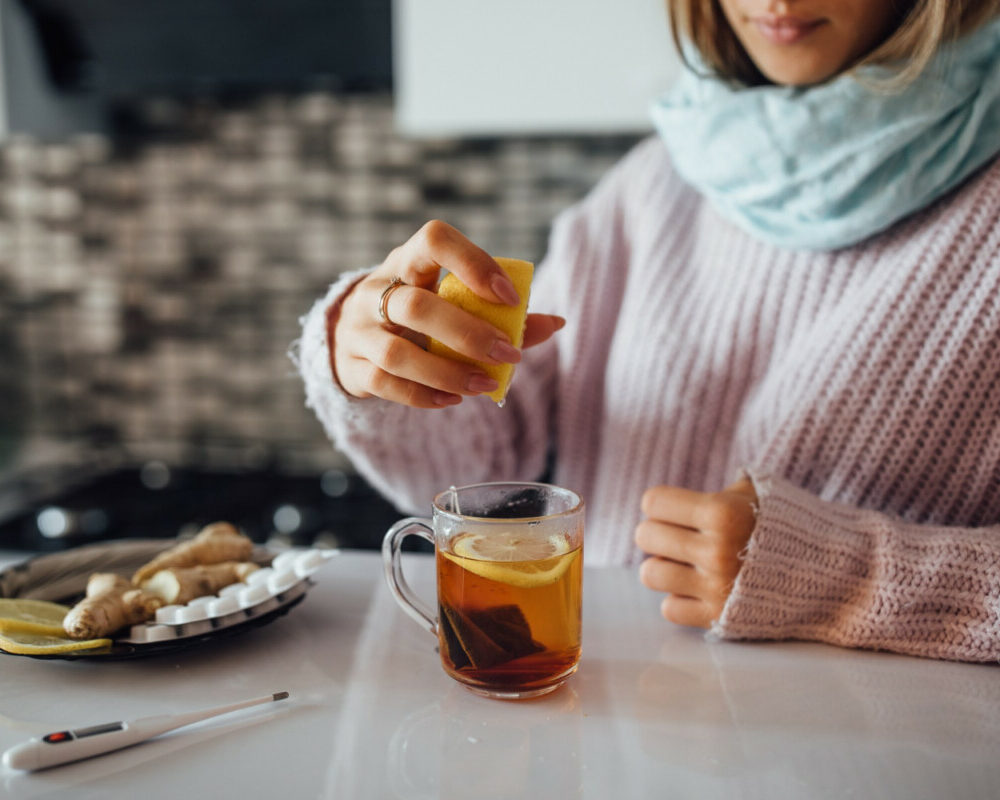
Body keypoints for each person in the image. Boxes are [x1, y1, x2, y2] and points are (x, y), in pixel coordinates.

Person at [294, 0, 1000, 662]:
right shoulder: (653, 186)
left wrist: (840, 578)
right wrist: (377, 362)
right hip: (602, 748)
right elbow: (474, 472)